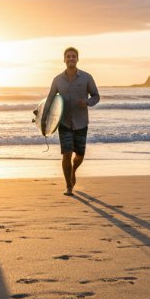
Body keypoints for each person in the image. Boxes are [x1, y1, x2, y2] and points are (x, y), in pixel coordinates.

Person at [46, 47, 99, 196]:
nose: (71, 59)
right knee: (67, 154)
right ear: (64, 59)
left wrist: (88, 102)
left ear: (77, 59)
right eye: (68, 56)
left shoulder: (87, 77)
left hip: (81, 122)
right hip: (63, 122)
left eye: (73, 56)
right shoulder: (57, 80)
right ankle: (69, 186)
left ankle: (73, 171)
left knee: (80, 155)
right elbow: (50, 99)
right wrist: (44, 119)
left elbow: (96, 96)